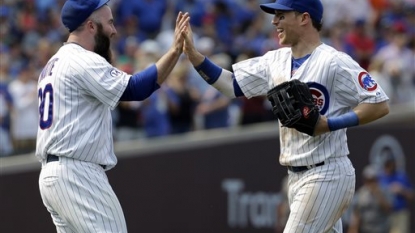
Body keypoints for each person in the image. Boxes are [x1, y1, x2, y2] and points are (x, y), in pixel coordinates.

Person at [182, 0, 390, 232]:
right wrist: (193, 55)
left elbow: (379, 104)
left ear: (304, 18)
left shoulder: (334, 61)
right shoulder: (275, 61)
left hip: (326, 173)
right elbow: (230, 85)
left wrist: (329, 124)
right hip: (295, 177)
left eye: (281, 15)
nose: (274, 21)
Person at [36, 0, 189, 232]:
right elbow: (136, 88)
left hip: (54, 174)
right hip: (78, 173)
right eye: (109, 22)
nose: (114, 30)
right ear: (90, 26)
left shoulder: (53, 63)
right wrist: (175, 50)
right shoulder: (82, 59)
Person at [347, 165, 393, 233]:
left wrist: (378, 194)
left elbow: (389, 209)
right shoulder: (360, 194)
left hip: (382, 229)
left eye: (373, 180)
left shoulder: (385, 191)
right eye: (368, 180)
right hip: (366, 229)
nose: (371, 183)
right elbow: (356, 214)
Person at [378, 150, 414, 233]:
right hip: (384, 215)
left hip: (400, 214)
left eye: (389, 164)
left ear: (393, 164)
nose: (388, 167)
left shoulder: (401, 176)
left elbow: (412, 195)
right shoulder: (380, 178)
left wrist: (402, 190)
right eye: (386, 164)